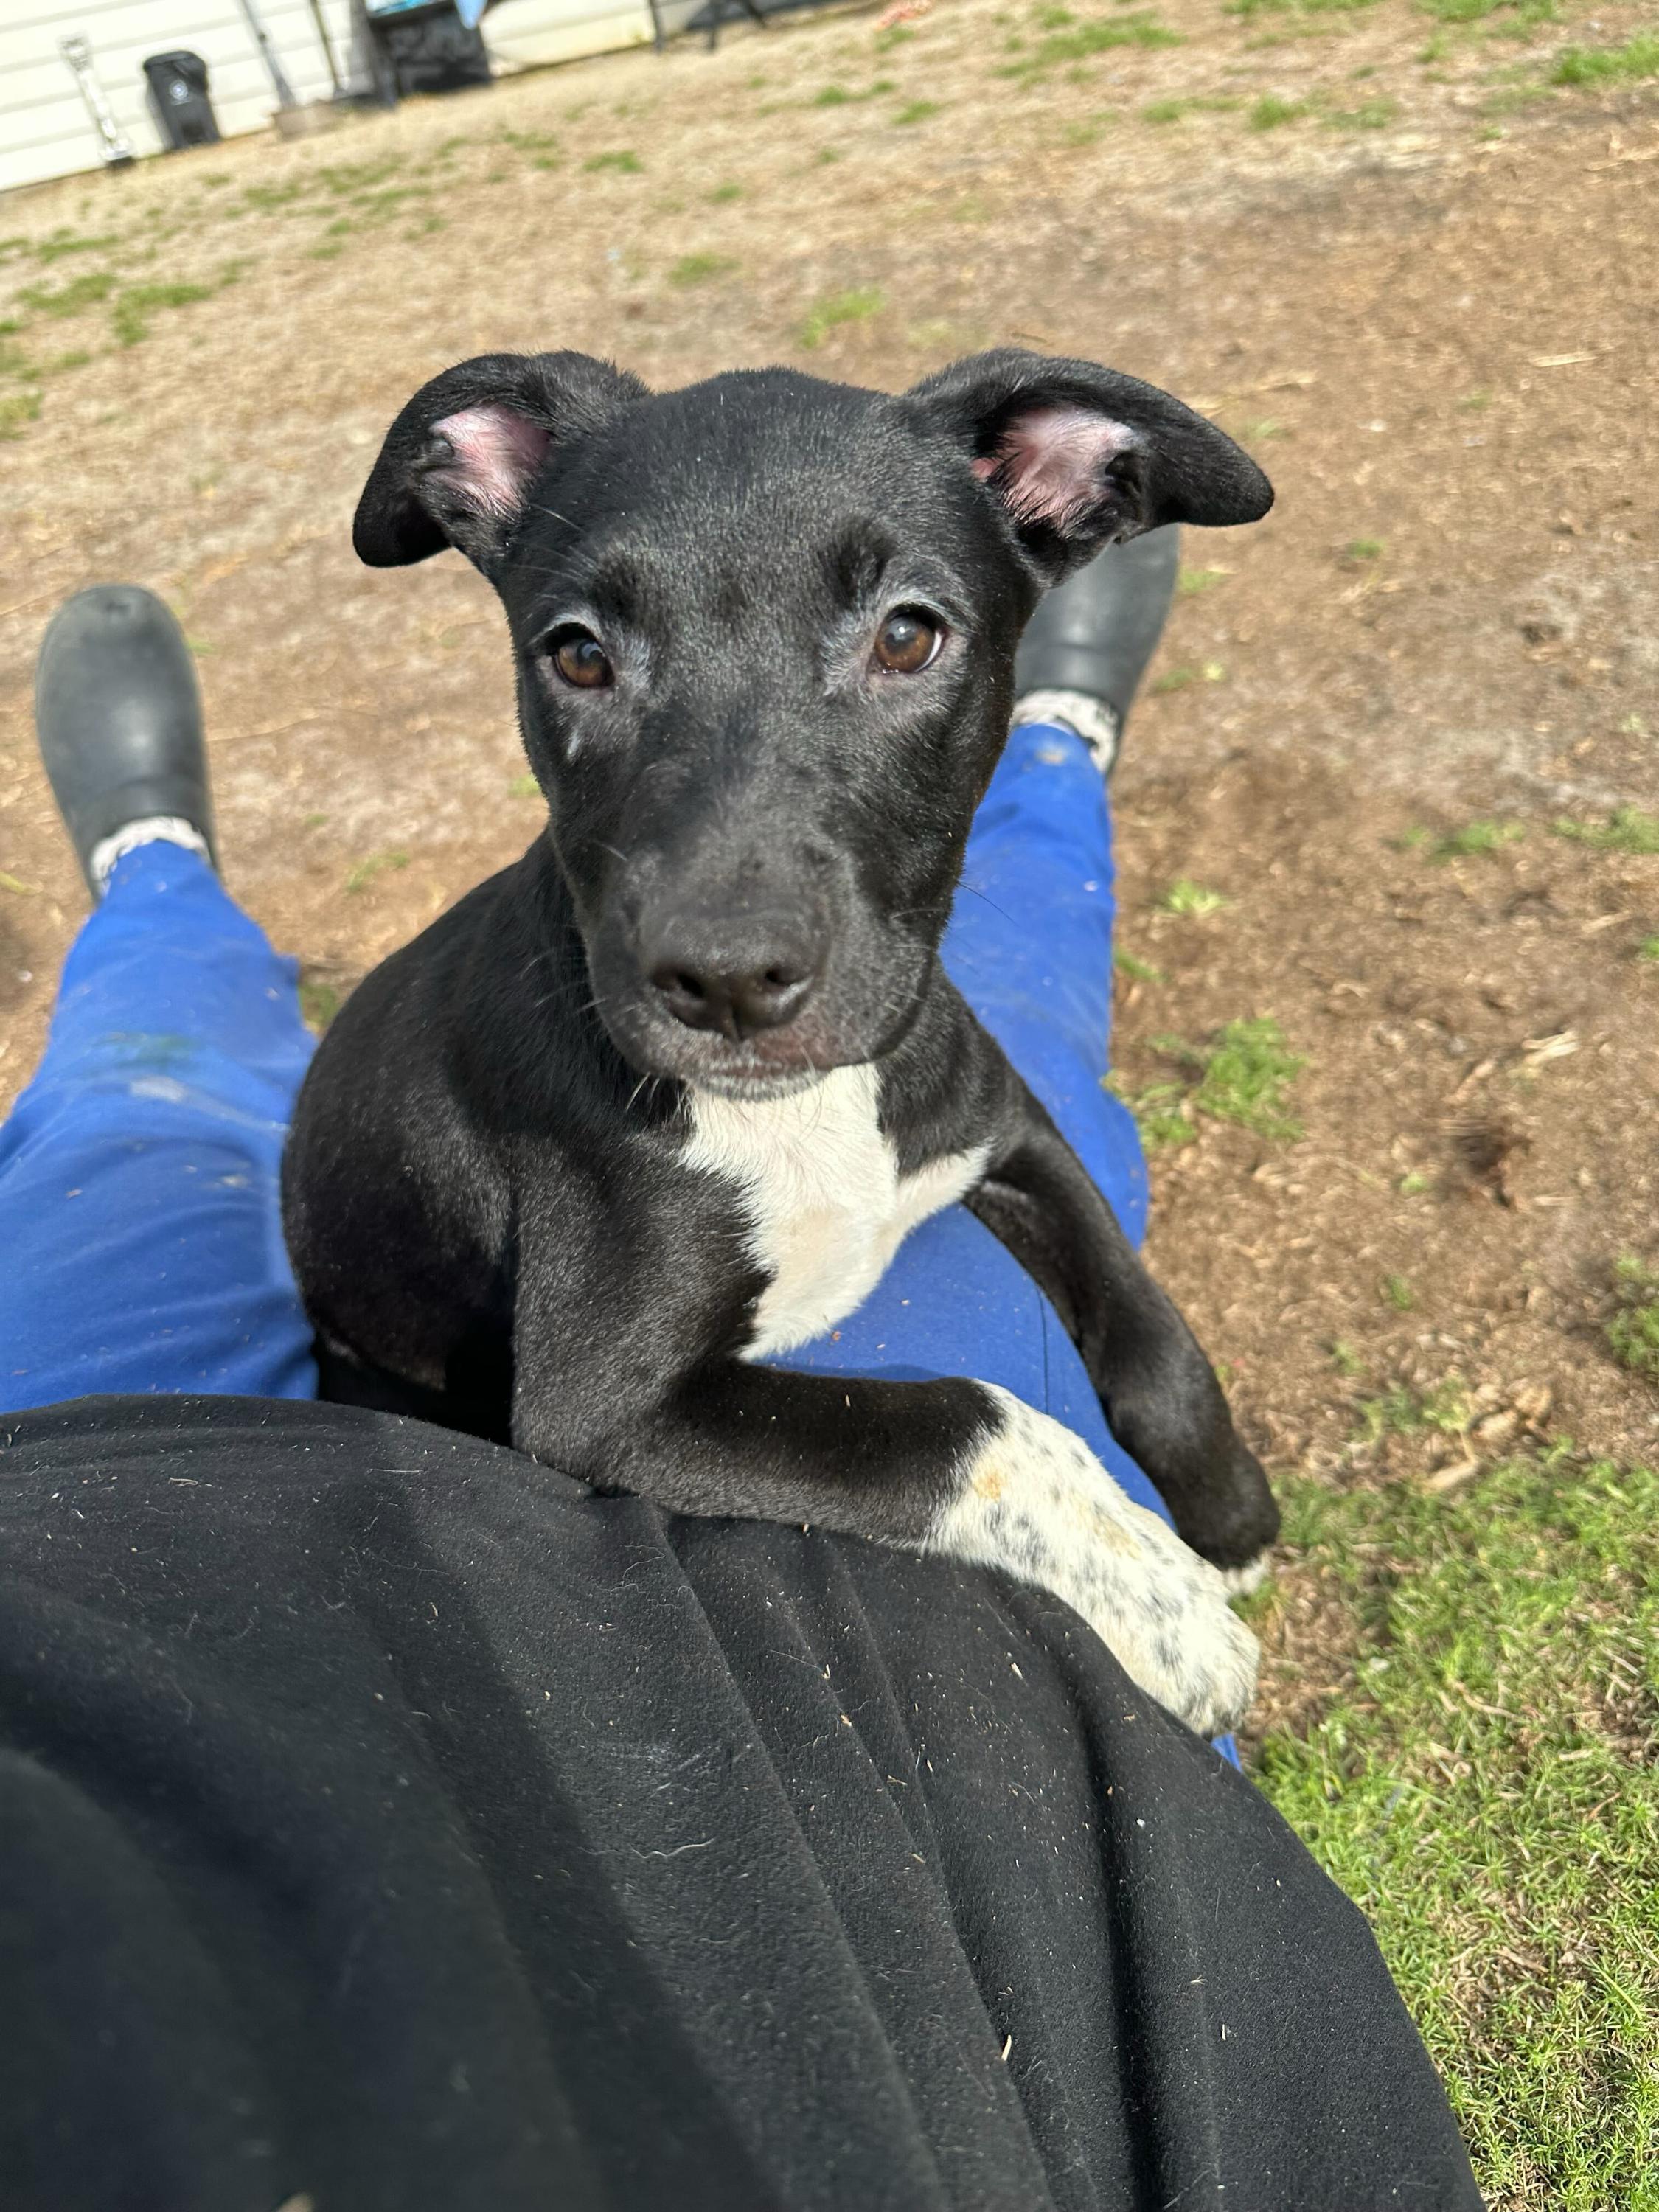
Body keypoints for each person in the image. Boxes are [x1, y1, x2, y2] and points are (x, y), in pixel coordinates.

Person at [0, 552, 1484, 2212]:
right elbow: (607, 1400)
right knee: (1034, 1014)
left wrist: (1162, 1381)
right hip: (655, 1564)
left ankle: (156, 884)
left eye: (902, 638)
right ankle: (1052, 736)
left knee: (137, 1111)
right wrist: (1027, 1457)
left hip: (98, 1526)